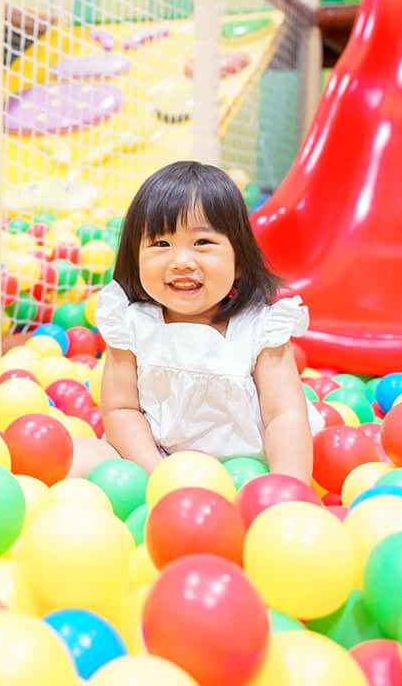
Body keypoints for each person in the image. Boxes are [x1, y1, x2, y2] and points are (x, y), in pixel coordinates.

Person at [73, 160, 317, 484]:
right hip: (154, 458)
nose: (182, 262)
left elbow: (284, 417)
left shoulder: (261, 331)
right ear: (135, 258)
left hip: (246, 470)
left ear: (240, 261)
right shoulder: (130, 326)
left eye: (202, 243)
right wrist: (159, 475)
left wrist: (287, 485)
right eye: (161, 244)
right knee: (72, 454)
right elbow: (122, 411)